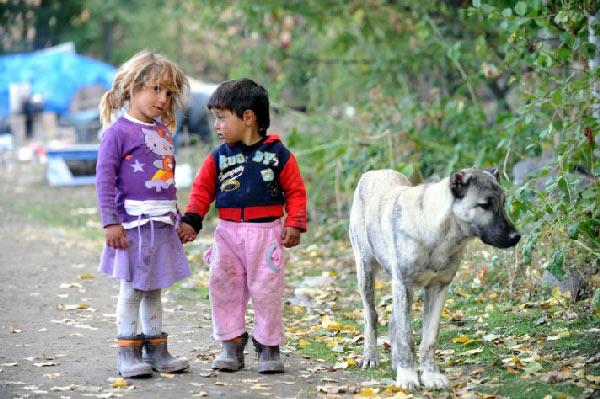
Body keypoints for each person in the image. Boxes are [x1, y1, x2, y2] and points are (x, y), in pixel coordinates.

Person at [179, 78, 307, 373]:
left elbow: (296, 191)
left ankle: (268, 346)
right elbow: (202, 191)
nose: (216, 126)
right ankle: (231, 344)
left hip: (266, 235)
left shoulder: (279, 155)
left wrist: (295, 223)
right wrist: (192, 221)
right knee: (223, 287)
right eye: (215, 118)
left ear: (248, 117)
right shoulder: (219, 157)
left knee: (267, 290)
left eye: (222, 118)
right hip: (228, 235)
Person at [96, 50, 191, 378]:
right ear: (133, 87)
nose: (163, 99)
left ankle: (157, 351)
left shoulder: (163, 133)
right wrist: (110, 221)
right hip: (133, 226)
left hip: (162, 225)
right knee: (133, 289)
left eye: (169, 93)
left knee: (155, 289)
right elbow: (105, 180)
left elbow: (167, 182)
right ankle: (127, 353)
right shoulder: (117, 133)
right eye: (156, 89)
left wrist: (176, 217)